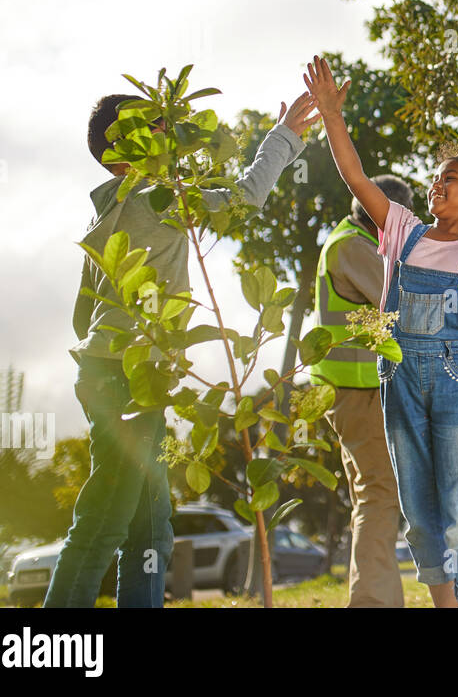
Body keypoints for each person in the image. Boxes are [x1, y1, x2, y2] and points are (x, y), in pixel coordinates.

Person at [46, 90, 316, 608]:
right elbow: (243, 199)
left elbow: (84, 315)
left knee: (150, 530)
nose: (169, 134)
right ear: (126, 151)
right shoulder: (156, 200)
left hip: (117, 374)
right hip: (127, 379)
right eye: (157, 127)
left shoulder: (107, 212)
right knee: (105, 520)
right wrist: (283, 138)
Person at [304, 55, 458, 608]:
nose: (437, 183)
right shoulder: (402, 231)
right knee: (419, 508)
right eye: (437, 176)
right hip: (397, 381)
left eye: (451, 178)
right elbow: (354, 175)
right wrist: (332, 117)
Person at [311, 174, 416, 607]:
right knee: (380, 493)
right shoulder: (353, 246)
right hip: (359, 389)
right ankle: (373, 603)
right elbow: (400, 305)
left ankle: (372, 598)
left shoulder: (347, 240)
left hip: (354, 391)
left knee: (370, 496)